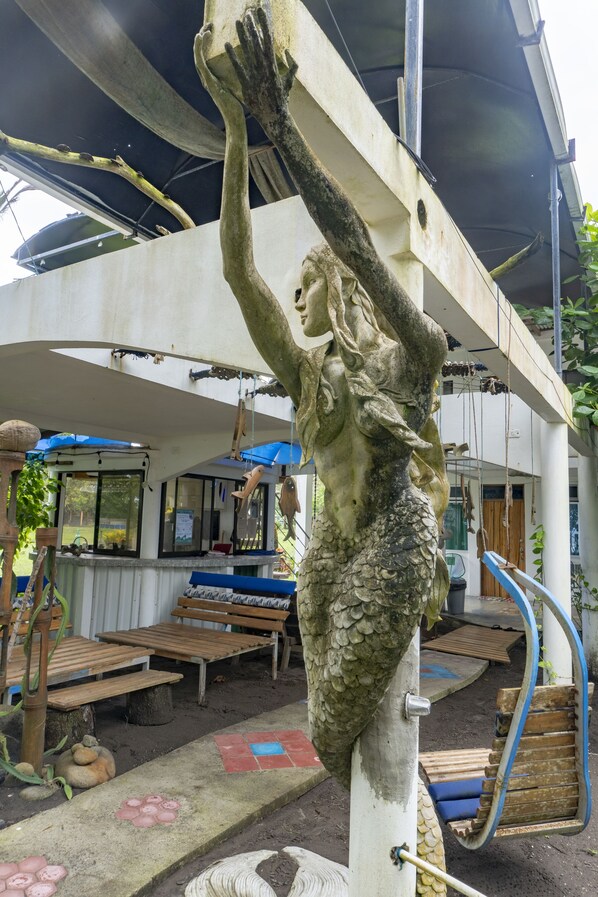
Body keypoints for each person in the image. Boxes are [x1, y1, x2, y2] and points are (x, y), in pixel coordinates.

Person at [194, 7, 447, 788]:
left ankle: (403, 843)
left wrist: (281, 122)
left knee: (335, 718)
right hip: (331, 547)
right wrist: (236, 127)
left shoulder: (412, 359)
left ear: (337, 288)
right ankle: (399, 841)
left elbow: (356, 240)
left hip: (394, 537)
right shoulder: (308, 379)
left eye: (307, 285)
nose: (296, 297)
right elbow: (240, 272)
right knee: (326, 720)